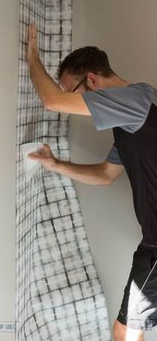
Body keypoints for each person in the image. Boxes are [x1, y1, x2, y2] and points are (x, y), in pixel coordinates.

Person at [26, 23, 157, 341]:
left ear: (92, 80)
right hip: (152, 242)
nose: (72, 107)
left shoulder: (134, 101)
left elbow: (52, 101)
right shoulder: (133, 116)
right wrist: (54, 164)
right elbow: (104, 175)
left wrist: (32, 57)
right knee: (127, 330)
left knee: (125, 333)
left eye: (73, 92)